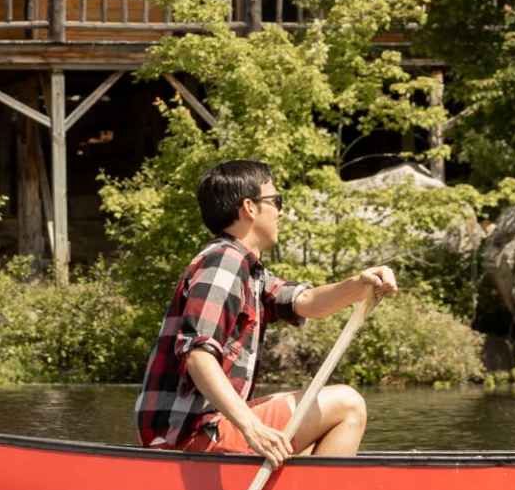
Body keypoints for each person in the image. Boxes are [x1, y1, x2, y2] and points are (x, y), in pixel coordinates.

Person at [135, 158, 398, 460]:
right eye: (276, 201)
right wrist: (252, 428)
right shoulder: (224, 262)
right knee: (348, 404)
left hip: (200, 433)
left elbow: (308, 303)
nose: (281, 211)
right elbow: (198, 357)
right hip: (192, 437)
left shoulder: (250, 272)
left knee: (316, 440)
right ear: (249, 207)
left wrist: (361, 283)